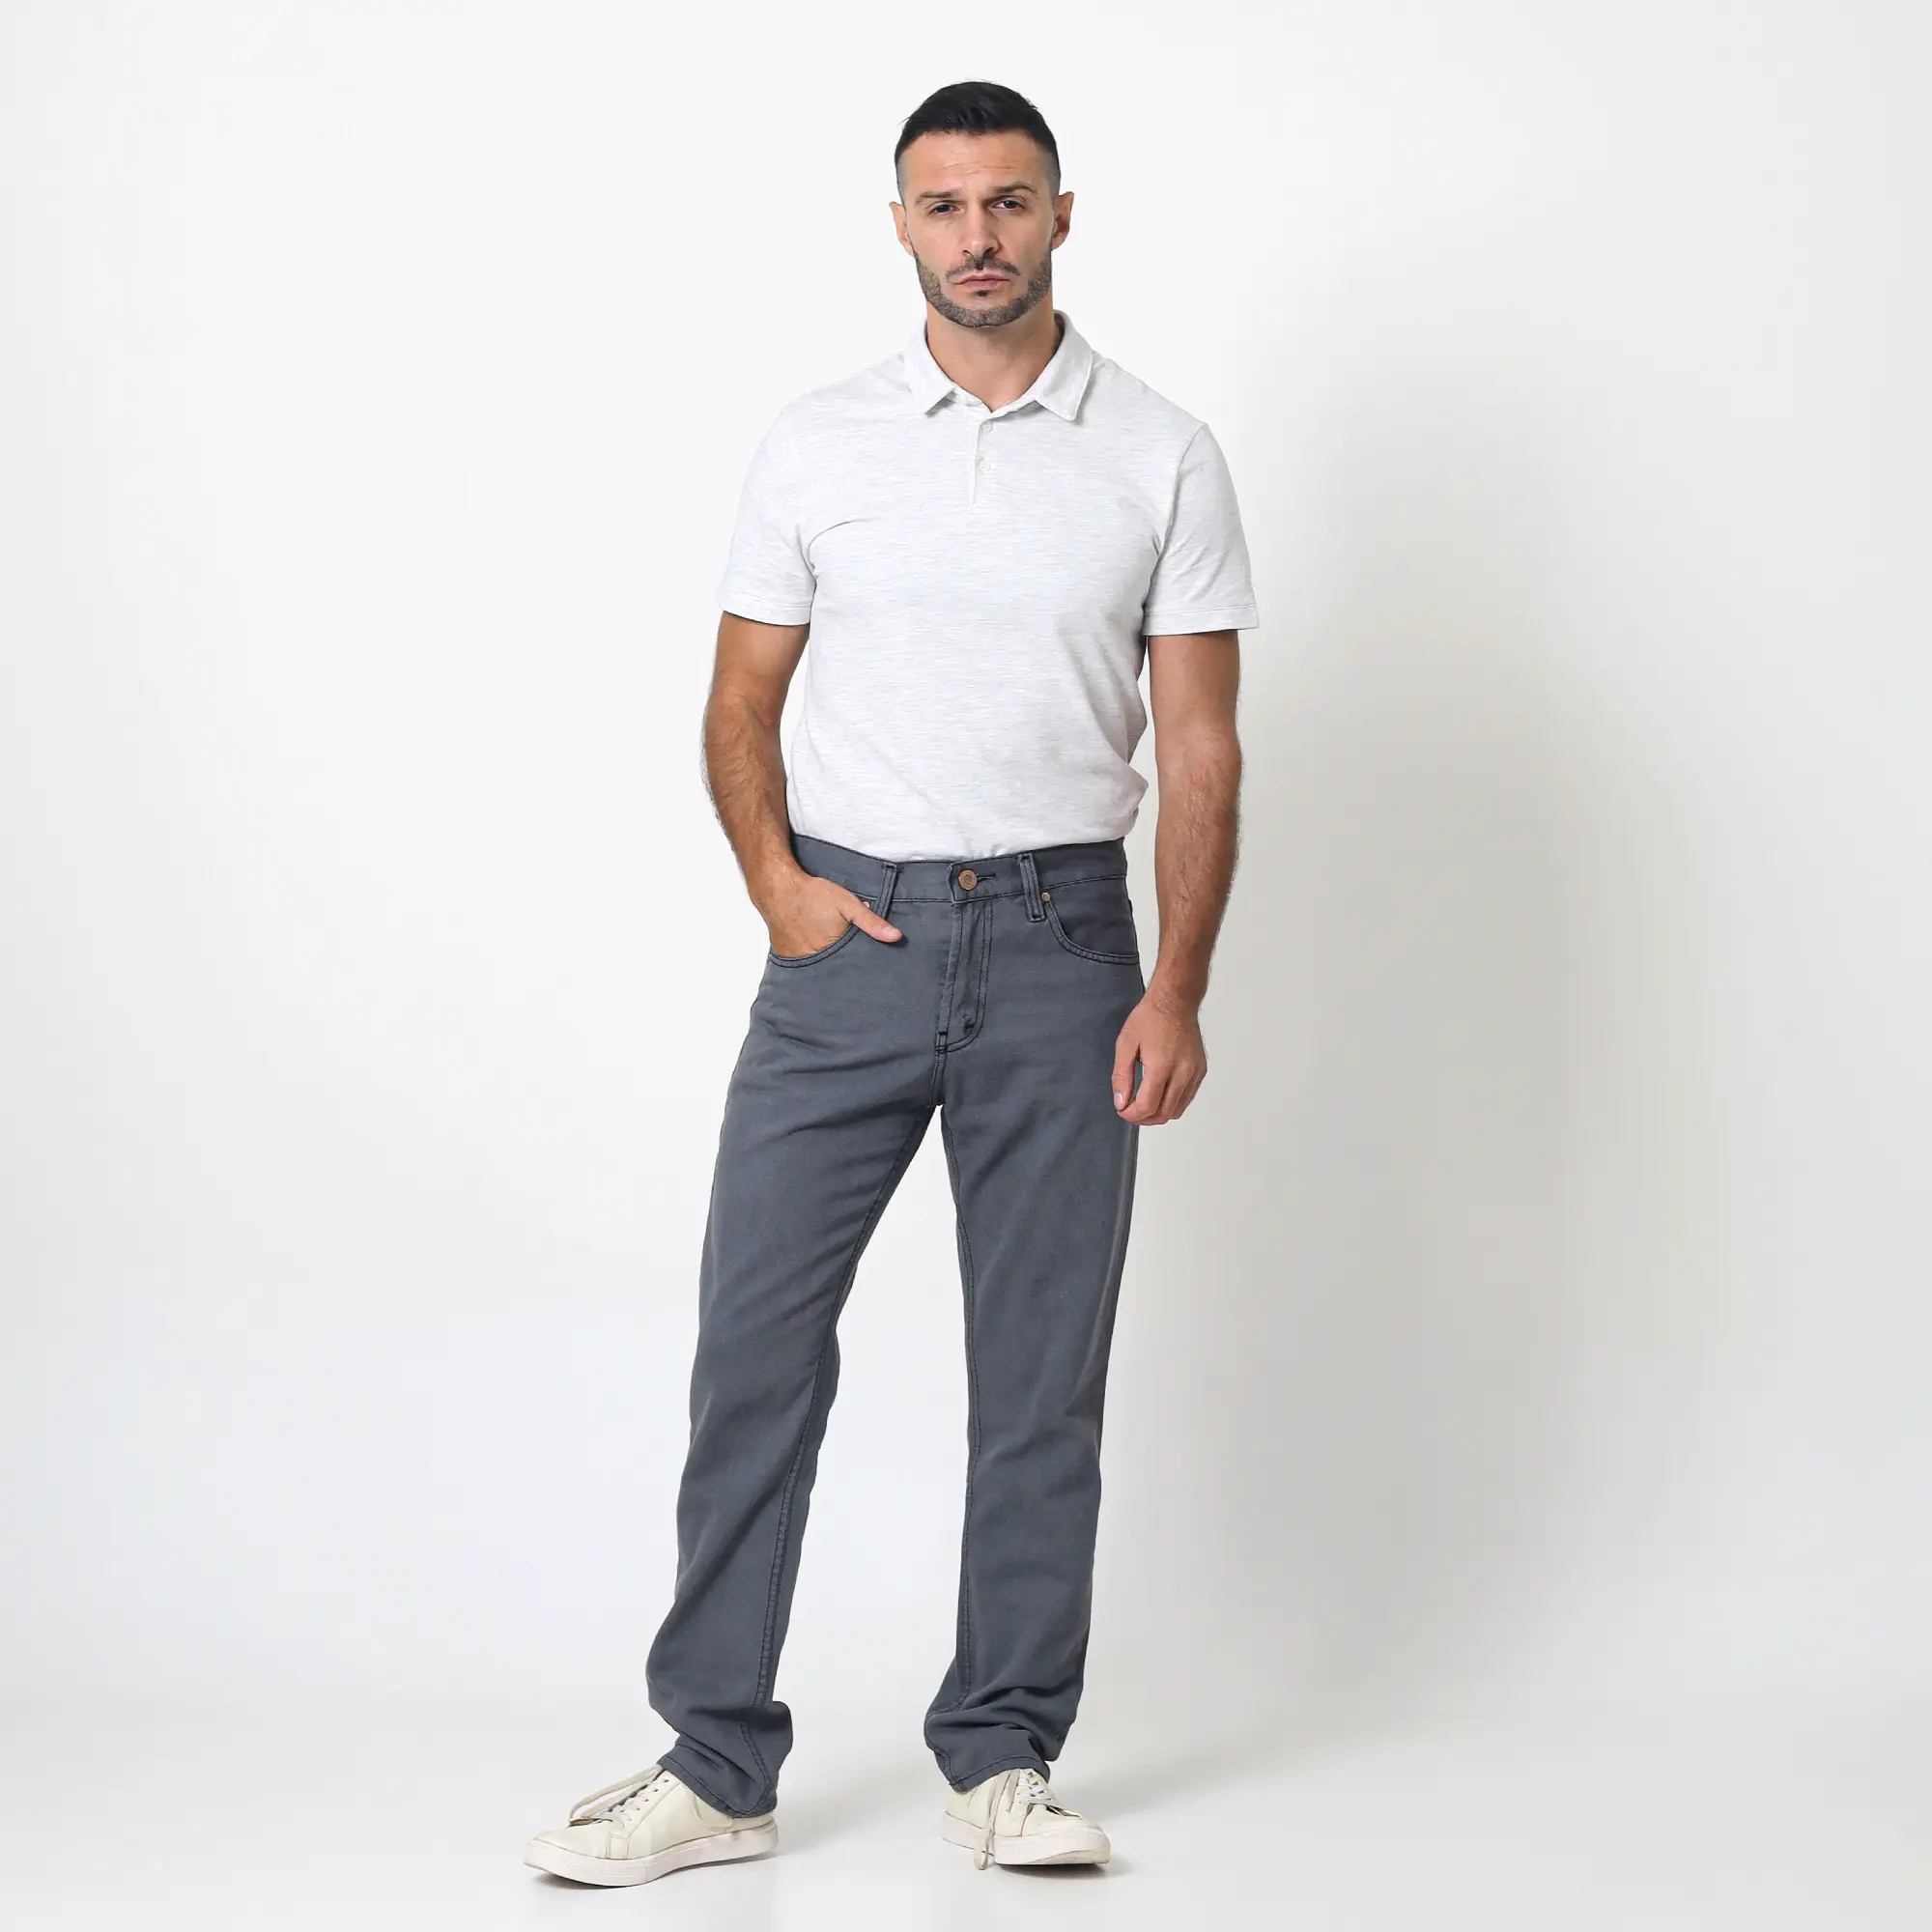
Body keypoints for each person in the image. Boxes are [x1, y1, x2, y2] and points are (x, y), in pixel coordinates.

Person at [525, 77, 1258, 1888]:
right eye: (944, 206)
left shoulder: (1162, 452)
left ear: (1063, 216)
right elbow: (739, 699)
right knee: (754, 1350)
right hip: (845, 945)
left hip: (1067, 949)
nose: (978, 236)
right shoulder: (819, 443)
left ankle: (1005, 1755)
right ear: (902, 225)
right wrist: (779, 890)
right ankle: (717, 1763)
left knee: (1040, 1378)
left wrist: (1174, 986)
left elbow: (1202, 745)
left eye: (1009, 202)